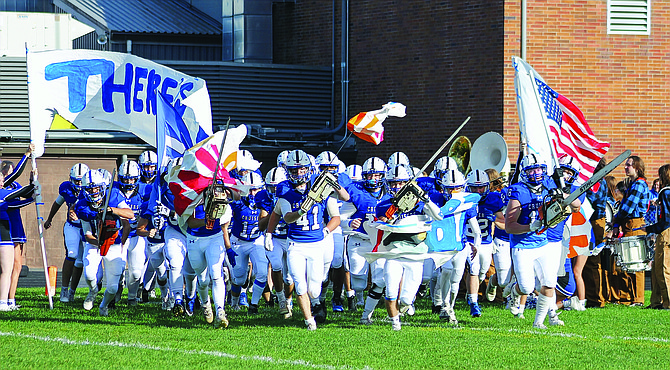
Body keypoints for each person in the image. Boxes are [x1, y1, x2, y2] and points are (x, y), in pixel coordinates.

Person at [266, 149, 347, 330]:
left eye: (301, 169)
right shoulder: (285, 188)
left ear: (309, 169)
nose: (298, 173)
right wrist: (300, 211)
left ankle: (317, 303)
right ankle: (309, 320)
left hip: (317, 243)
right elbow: (284, 216)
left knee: (314, 289)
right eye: (294, 170)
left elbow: (344, 201)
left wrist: (334, 184)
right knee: (299, 284)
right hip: (295, 243)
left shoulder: (320, 185)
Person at [504, 154, 580, 329]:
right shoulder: (518, 191)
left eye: (539, 169)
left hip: (543, 243)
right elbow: (509, 226)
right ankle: (516, 291)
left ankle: (538, 322)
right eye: (532, 170)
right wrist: (530, 227)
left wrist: (563, 193)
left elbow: (576, 206)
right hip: (523, 245)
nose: (536, 174)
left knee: (549, 283)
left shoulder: (549, 184)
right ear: (524, 172)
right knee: (526, 287)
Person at [373, 164, 444, 330]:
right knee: (391, 291)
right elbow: (378, 228)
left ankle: (404, 307)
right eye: (393, 183)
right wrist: (390, 217)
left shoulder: (420, 203)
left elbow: (439, 216)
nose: (396, 187)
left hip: (415, 255)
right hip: (394, 254)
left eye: (400, 183)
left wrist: (425, 199)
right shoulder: (384, 205)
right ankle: (395, 324)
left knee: (405, 299)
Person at [75, 169, 133, 316]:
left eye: (96, 188)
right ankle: (93, 291)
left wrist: (112, 210)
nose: (94, 191)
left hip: (113, 242)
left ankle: (103, 305)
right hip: (95, 243)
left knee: (113, 288)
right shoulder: (82, 205)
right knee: (89, 275)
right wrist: (99, 242)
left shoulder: (113, 195)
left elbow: (130, 214)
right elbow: (88, 235)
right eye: (90, 189)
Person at [341, 156, 391, 324]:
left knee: (379, 278)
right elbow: (340, 218)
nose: (373, 179)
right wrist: (349, 222)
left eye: (377, 175)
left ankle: (368, 309)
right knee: (358, 282)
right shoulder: (357, 192)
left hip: (380, 242)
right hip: (359, 240)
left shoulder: (390, 195)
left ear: (383, 176)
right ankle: (359, 297)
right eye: (370, 175)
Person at [185, 177, 238, 328]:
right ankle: (205, 303)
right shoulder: (193, 195)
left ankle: (220, 311)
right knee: (202, 280)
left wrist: (228, 248)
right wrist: (205, 221)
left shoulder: (222, 196)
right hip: (195, 238)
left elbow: (225, 226)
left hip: (214, 237)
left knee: (216, 274)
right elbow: (190, 222)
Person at [430, 169, 480, 324]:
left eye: (457, 188)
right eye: (450, 188)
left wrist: (476, 247)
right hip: (443, 246)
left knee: (456, 279)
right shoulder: (436, 199)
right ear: (443, 188)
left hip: (460, 244)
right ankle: (444, 306)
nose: (454, 192)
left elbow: (476, 230)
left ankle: (450, 306)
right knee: (445, 272)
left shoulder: (467, 202)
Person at [44, 163, 90, 303]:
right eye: (76, 180)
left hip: (86, 226)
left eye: (81, 181)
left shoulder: (92, 189)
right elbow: (58, 202)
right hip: (72, 226)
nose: (79, 183)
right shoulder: (67, 189)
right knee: (72, 254)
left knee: (80, 261)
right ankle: (64, 289)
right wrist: (49, 219)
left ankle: (72, 291)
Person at [463, 169, 504, 317]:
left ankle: (472, 294)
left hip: (486, 242)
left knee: (482, 272)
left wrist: (493, 218)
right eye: (475, 187)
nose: (479, 190)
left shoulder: (494, 199)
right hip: (467, 241)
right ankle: (473, 301)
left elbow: (504, 224)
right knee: (473, 269)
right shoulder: (463, 198)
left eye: (481, 187)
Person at [225, 172, 267, 314]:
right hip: (238, 242)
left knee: (262, 272)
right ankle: (234, 303)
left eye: (256, 189)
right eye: (249, 189)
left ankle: (253, 305)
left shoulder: (266, 201)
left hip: (257, 240)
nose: (253, 193)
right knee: (239, 278)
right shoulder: (237, 203)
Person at [612, 155, 650, 306]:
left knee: (637, 263)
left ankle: (639, 299)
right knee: (628, 261)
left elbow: (628, 208)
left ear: (637, 168)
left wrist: (616, 218)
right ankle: (629, 297)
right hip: (629, 224)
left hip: (635, 224)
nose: (626, 167)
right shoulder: (632, 184)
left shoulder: (639, 184)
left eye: (629, 165)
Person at [0, 151, 36, 312]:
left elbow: (23, 194)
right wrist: (27, 155)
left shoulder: (12, 187)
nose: (4, 178)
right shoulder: (4, 188)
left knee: (15, 266)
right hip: (6, 227)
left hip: (12, 226)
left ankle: (10, 299)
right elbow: (16, 199)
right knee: (7, 267)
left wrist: (32, 183)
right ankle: (5, 300)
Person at [258, 166, 293, 317]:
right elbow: (261, 225)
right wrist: (274, 212)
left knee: (290, 275)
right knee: (277, 265)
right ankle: (281, 299)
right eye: (270, 188)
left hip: (291, 237)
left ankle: (289, 301)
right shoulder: (264, 197)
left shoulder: (292, 194)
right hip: (275, 238)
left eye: (276, 188)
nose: (273, 192)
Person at [583, 158, 610, 308]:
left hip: (594, 221)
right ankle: (590, 295)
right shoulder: (596, 179)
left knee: (593, 260)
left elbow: (589, 201)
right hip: (591, 220)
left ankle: (596, 299)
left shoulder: (597, 180)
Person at [644, 164, 670, 309]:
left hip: (666, 232)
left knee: (663, 268)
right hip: (664, 231)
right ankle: (656, 301)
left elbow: (665, 220)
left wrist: (649, 229)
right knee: (656, 269)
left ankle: (667, 302)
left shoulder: (665, 192)